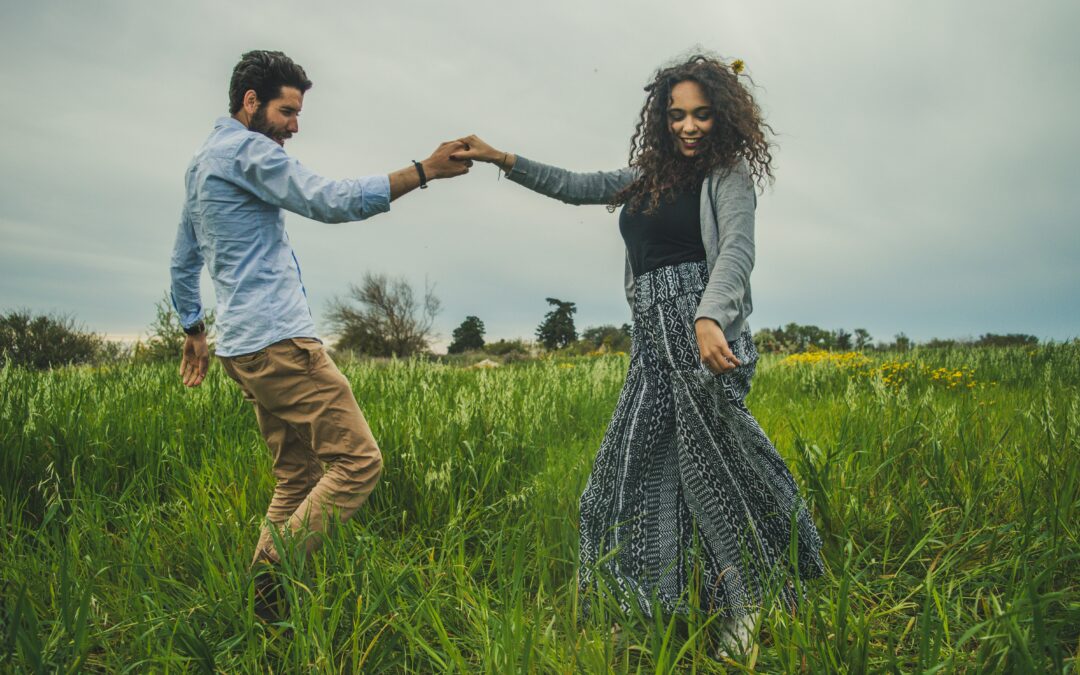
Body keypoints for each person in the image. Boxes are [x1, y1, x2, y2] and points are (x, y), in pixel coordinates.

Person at [453, 54, 824, 657]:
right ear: (661, 118)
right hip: (654, 343)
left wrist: (709, 317)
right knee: (619, 482)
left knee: (722, 476)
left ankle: (750, 604)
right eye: (677, 115)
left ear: (723, 117)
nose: (689, 127)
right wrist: (502, 159)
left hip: (705, 339)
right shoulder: (645, 177)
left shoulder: (728, 176)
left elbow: (736, 252)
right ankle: (645, 608)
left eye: (702, 115)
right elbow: (575, 187)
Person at [169, 49, 470, 622]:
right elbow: (331, 200)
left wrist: (194, 329)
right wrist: (424, 170)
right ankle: (270, 576)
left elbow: (183, 260)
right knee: (359, 463)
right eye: (287, 111)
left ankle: (266, 612)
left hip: (240, 347)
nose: (294, 126)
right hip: (281, 342)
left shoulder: (200, 162)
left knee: (297, 477)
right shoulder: (248, 150)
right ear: (250, 102)